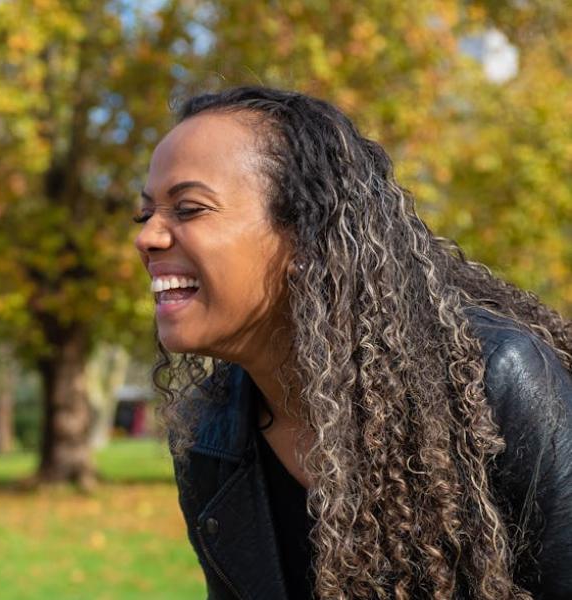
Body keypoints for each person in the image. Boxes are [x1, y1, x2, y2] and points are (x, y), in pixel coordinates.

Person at [134, 86, 572, 599]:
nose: (148, 238)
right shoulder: (209, 433)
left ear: (303, 235)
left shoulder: (496, 382)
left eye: (188, 209)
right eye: (146, 214)